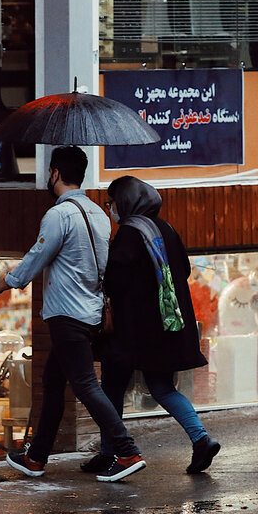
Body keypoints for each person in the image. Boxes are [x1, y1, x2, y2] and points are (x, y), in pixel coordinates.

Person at [0, 145, 146, 482]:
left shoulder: (59, 215)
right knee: (53, 381)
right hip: (90, 313)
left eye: (49, 172)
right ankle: (36, 457)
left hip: (68, 314)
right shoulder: (99, 214)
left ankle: (127, 451)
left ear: (55, 173)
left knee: (85, 385)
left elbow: (36, 257)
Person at [92, 176, 221, 475]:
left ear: (125, 202)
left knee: (112, 387)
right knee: (162, 387)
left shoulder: (130, 232)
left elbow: (115, 280)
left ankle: (110, 453)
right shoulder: (166, 228)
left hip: (133, 330)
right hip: (167, 326)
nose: (111, 209)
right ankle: (201, 439)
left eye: (112, 203)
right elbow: (184, 269)